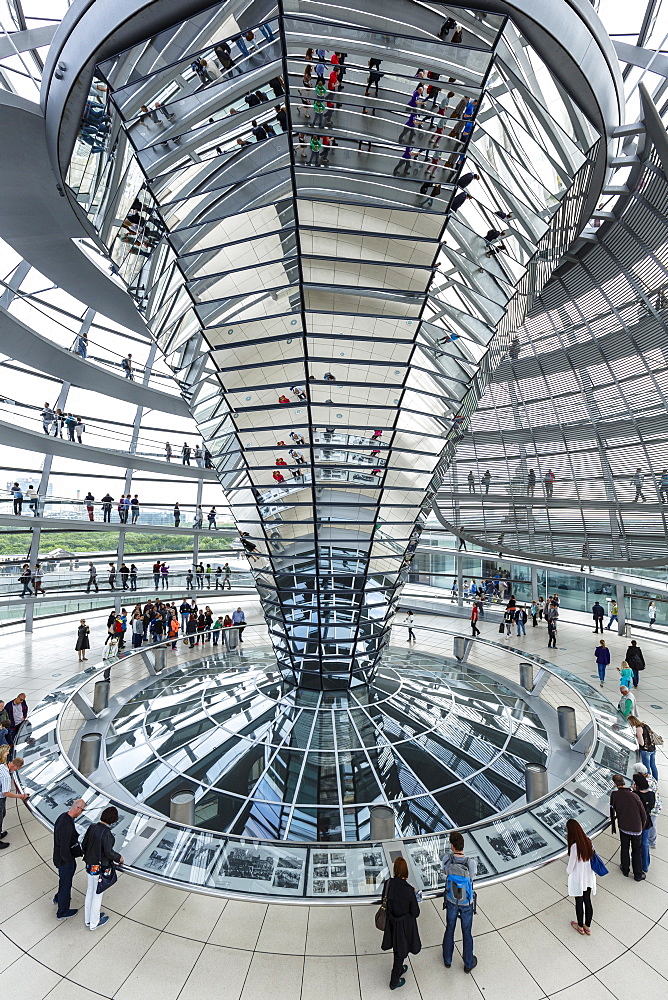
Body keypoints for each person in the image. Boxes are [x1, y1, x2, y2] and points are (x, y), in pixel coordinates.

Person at [380, 855, 421, 990]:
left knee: (397, 949)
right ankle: (394, 980)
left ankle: (399, 969)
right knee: (400, 952)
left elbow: (384, 900)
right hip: (403, 926)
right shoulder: (409, 890)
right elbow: (415, 912)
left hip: (391, 924)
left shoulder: (388, 884)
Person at [82, 805, 124, 930]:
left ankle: (88, 920)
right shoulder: (107, 833)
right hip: (100, 867)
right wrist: (119, 858)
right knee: (97, 894)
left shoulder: (92, 827)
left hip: (90, 865)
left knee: (90, 891)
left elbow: (84, 844)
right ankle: (94, 923)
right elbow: (109, 852)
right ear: (113, 820)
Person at [441, 830, 477, 972]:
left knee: (450, 928)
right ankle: (468, 962)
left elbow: (445, 872)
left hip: (451, 900)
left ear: (452, 845)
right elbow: (472, 877)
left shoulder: (447, 859)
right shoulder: (470, 863)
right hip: (466, 903)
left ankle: (447, 959)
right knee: (466, 932)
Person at [52, 798, 85, 919]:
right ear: (77, 808)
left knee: (63, 881)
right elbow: (64, 848)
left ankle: (58, 897)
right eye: (82, 809)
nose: (81, 812)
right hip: (64, 861)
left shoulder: (63, 817)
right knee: (66, 884)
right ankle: (63, 912)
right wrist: (69, 861)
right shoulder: (67, 826)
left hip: (58, 858)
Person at [610, 773, 646, 880]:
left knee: (624, 847)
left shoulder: (614, 795)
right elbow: (643, 813)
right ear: (624, 782)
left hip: (623, 826)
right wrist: (642, 825)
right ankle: (638, 874)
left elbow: (612, 810)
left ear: (615, 784)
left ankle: (625, 869)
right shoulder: (634, 796)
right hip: (636, 828)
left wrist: (613, 826)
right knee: (636, 850)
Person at [565, 818, 596, 935]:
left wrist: (567, 871)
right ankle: (587, 926)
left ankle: (579, 926)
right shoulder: (588, 841)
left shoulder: (574, 847)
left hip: (578, 878)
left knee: (579, 902)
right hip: (588, 877)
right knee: (588, 901)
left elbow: (571, 866)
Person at [0, 757, 29, 849]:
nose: (16, 770)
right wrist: (21, 796)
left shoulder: (2, 766)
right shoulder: (6, 776)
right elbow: (6, 793)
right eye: (17, 768)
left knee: (3, 814)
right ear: (14, 766)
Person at [632, 762, 661, 848]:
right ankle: (652, 841)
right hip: (655, 805)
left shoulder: (646, 782)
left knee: (651, 824)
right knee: (652, 824)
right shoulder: (650, 777)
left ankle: (652, 842)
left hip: (652, 808)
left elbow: (645, 795)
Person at [633, 772, 655, 874]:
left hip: (638, 822)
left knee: (638, 844)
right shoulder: (651, 794)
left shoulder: (636, 795)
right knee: (645, 843)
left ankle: (639, 862)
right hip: (647, 822)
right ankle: (646, 864)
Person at [628, 715, 660, 779]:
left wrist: (636, 737)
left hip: (646, 751)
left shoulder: (638, 729)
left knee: (647, 767)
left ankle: (649, 781)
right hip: (652, 748)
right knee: (653, 765)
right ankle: (655, 780)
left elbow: (642, 743)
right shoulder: (645, 725)